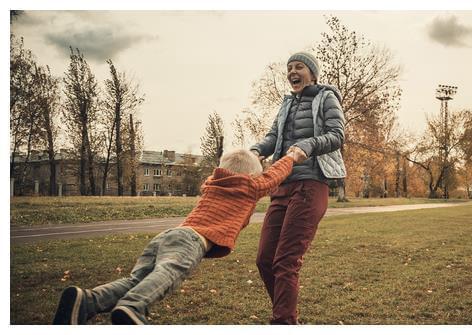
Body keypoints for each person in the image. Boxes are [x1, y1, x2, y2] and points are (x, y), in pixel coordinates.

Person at [52, 148, 306, 325]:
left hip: (171, 235)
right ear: (252, 176)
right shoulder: (250, 186)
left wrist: (252, 156)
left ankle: (87, 300)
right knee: (169, 273)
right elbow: (273, 177)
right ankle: (133, 306)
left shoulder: (212, 183)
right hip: (192, 241)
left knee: (137, 278)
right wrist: (292, 157)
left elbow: (243, 172)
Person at [251, 51, 346, 324]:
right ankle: (287, 317)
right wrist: (255, 151)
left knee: (285, 261)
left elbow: (337, 135)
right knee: (265, 260)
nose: (293, 71)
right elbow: (273, 137)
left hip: (311, 185)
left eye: (299, 67)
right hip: (282, 186)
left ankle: (283, 322)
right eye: (289, 67)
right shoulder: (286, 105)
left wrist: (308, 145)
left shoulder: (326, 98)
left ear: (312, 74)